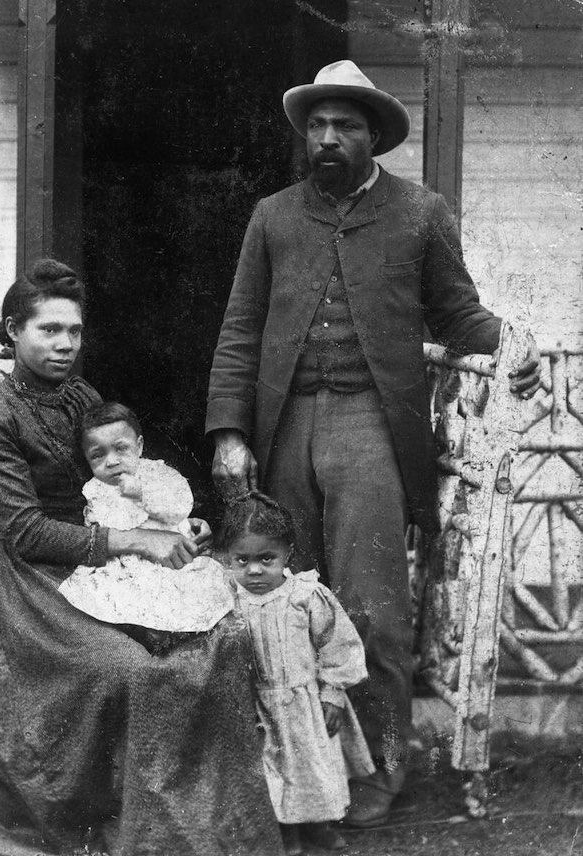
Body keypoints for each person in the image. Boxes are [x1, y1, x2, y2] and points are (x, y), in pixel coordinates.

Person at [205, 60, 542, 827]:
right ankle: (298, 771)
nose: (328, 138)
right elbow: (239, 331)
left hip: (370, 428)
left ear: (373, 135)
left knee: (372, 610)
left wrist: (513, 346)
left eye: (345, 126)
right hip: (285, 425)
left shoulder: (420, 213)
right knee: (283, 604)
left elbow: (459, 315)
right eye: (318, 125)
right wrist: (230, 433)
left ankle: (380, 772)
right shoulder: (273, 216)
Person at [0, 259, 283, 856]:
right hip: (33, 579)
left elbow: (125, 482)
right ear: (13, 330)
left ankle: (193, 819)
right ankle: (113, 821)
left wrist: (168, 523)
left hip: (107, 560)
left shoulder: (82, 397)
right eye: (48, 330)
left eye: (73, 330)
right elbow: (25, 532)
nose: (65, 344)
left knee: (216, 642)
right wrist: (137, 542)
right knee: (128, 669)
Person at [221, 492, 375, 855]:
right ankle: (284, 833)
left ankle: (318, 827)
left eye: (266, 559)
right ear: (228, 558)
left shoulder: (305, 595)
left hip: (302, 703)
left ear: (287, 554)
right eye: (242, 560)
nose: (254, 570)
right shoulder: (228, 599)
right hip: (257, 705)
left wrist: (333, 692)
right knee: (270, 771)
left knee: (312, 768)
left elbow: (337, 643)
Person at [58, 401, 234, 651]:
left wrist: (142, 492)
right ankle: (147, 632)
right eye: (98, 455)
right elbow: (96, 530)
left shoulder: (155, 475)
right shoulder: (95, 489)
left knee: (184, 592)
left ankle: (176, 632)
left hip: (167, 557)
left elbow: (180, 505)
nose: (111, 462)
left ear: (139, 446)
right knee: (117, 598)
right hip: (123, 564)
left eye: (121, 449)